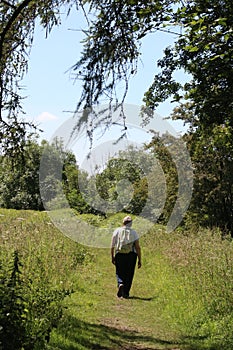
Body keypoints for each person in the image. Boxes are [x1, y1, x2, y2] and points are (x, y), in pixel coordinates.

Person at [111, 215, 141, 298]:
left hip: (119, 253)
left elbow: (112, 244)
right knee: (129, 273)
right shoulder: (134, 232)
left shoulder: (117, 231)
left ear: (123, 223)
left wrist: (112, 256)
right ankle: (126, 293)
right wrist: (139, 259)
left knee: (119, 271)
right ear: (131, 224)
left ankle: (120, 283)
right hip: (131, 255)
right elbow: (137, 247)